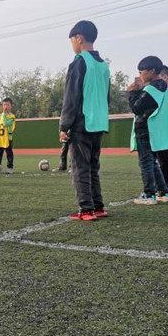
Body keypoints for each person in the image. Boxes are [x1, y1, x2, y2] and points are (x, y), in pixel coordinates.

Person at [59, 20, 110, 221]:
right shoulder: (103, 65)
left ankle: (86, 209)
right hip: (98, 123)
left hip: (82, 123)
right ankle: (98, 206)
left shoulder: (79, 62)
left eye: (72, 40)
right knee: (93, 167)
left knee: (80, 167)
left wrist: (64, 125)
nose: (72, 45)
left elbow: (71, 97)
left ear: (78, 38)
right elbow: (106, 97)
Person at [128, 56, 168, 205]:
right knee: (152, 163)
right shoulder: (164, 89)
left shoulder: (152, 88)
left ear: (152, 71)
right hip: (153, 131)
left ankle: (149, 195)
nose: (140, 74)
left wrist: (132, 93)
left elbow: (136, 108)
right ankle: (164, 192)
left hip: (146, 130)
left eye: (142, 71)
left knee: (146, 163)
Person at [0, 97, 16, 174]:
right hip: (0, 138)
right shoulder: (1, 115)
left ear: (11, 106)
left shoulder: (11, 117)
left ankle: (9, 167)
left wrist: (4, 114)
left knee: (9, 154)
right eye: (4, 105)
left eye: (7, 105)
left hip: (7, 138)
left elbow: (5, 123)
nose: (5, 107)